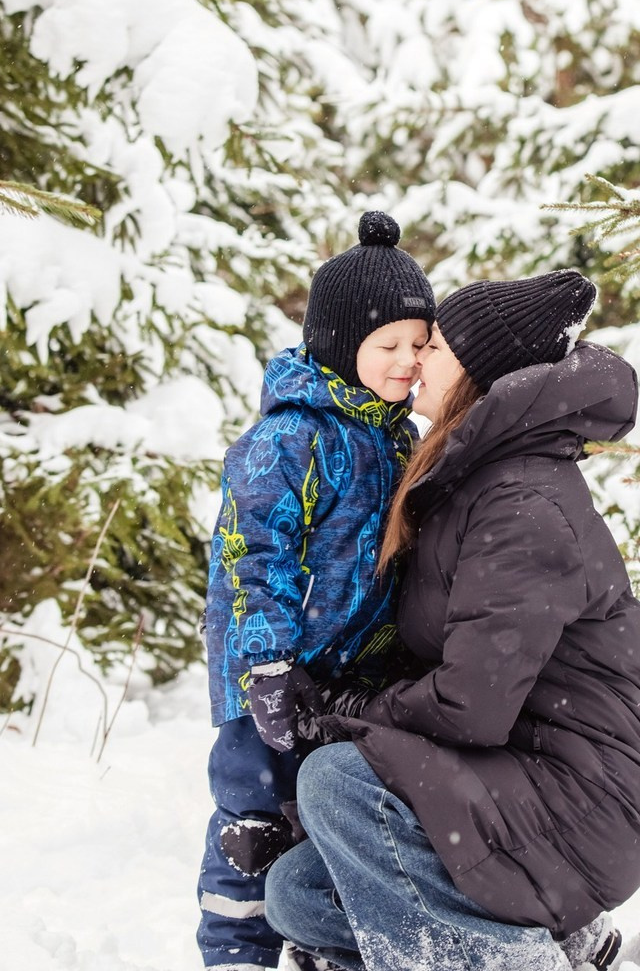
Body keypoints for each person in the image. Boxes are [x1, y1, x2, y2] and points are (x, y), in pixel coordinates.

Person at [263, 270, 640, 971]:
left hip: (586, 803)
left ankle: (507, 961)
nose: (416, 360)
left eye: (437, 348)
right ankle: (557, 940)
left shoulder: (522, 503)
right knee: (296, 895)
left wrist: (349, 714)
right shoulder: (475, 477)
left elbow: (471, 706)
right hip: (520, 777)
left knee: (339, 782)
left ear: (480, 375)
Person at [198, 210, 435, 971]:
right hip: (272, 677)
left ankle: (315, 946)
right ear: (340, 344)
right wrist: (266, 664)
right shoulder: (287, 439)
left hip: (351, 679)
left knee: (325, 823)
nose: (408, 362)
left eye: (420, 345)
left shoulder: (395, 436)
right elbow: (249, 559)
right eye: (389, 345)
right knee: (255, 824)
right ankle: (235, 952)